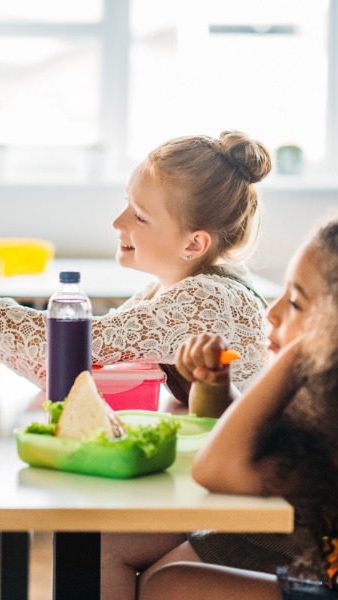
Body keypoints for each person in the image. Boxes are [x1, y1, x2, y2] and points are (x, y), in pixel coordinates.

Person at [0, 130, 272, 401]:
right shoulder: (162, 291)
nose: (118, 223)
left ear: (194, 243)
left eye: (139, 217)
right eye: (126, 203)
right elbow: (65, 370)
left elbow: (78, 346)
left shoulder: (206, 300)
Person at [101, 215, 338, 600]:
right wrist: (214, 388)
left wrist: (299, 350)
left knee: (170, 586)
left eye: (295, 302)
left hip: (309, 559)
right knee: (107, 541)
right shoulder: (319, 398)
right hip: (288, 533)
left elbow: (217, 468)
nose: (272, 314)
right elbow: (249, 445)